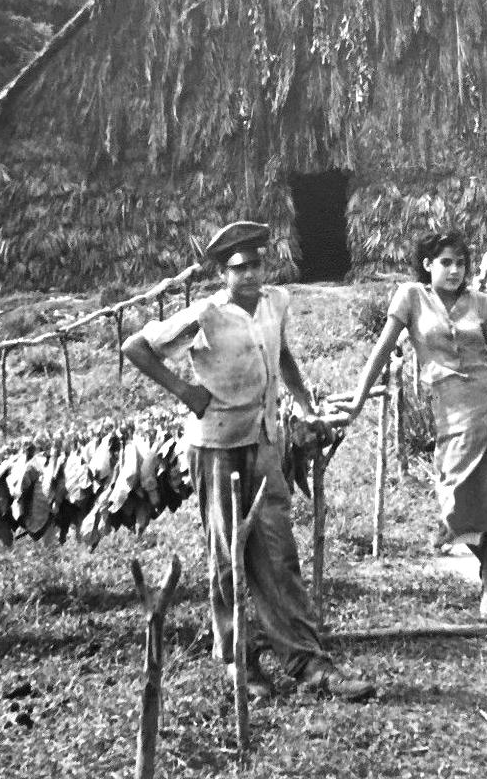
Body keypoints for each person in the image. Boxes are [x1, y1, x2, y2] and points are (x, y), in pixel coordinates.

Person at [122, 220, 374, 701]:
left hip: (263, 441)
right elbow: (136, 347)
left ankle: (307, 661)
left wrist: (303, 402)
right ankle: (239, 659)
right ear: (224, 273)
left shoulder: (277, 302)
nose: (252, 275)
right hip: (216, 444)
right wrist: (184, 391)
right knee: (227, 552)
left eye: (257, 264)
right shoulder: (206, 313)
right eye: (240, 268)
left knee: (279, 553)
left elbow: (282, 355)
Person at [342, 229, 487, 634]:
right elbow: (382, 350)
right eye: (446, 262)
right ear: (427, 265)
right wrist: (357, 398)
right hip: (452, 409)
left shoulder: (480, 303)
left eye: (461, 263)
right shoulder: (410, 298)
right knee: (453, 499)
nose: (455, 271)